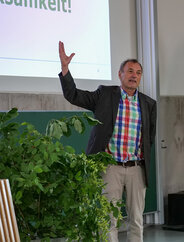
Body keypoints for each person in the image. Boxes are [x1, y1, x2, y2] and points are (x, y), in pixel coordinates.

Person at [58, 41, 156, 242]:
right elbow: (74, 95)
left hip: (137, 168)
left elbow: (149, 137)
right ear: (120, 74)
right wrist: (65, 70)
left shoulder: (149, 104)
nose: (134, 75)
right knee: (108, 219)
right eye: (129, 71)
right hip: (110, 168)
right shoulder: (105, 95)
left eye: (138, 72)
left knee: (136, 220)